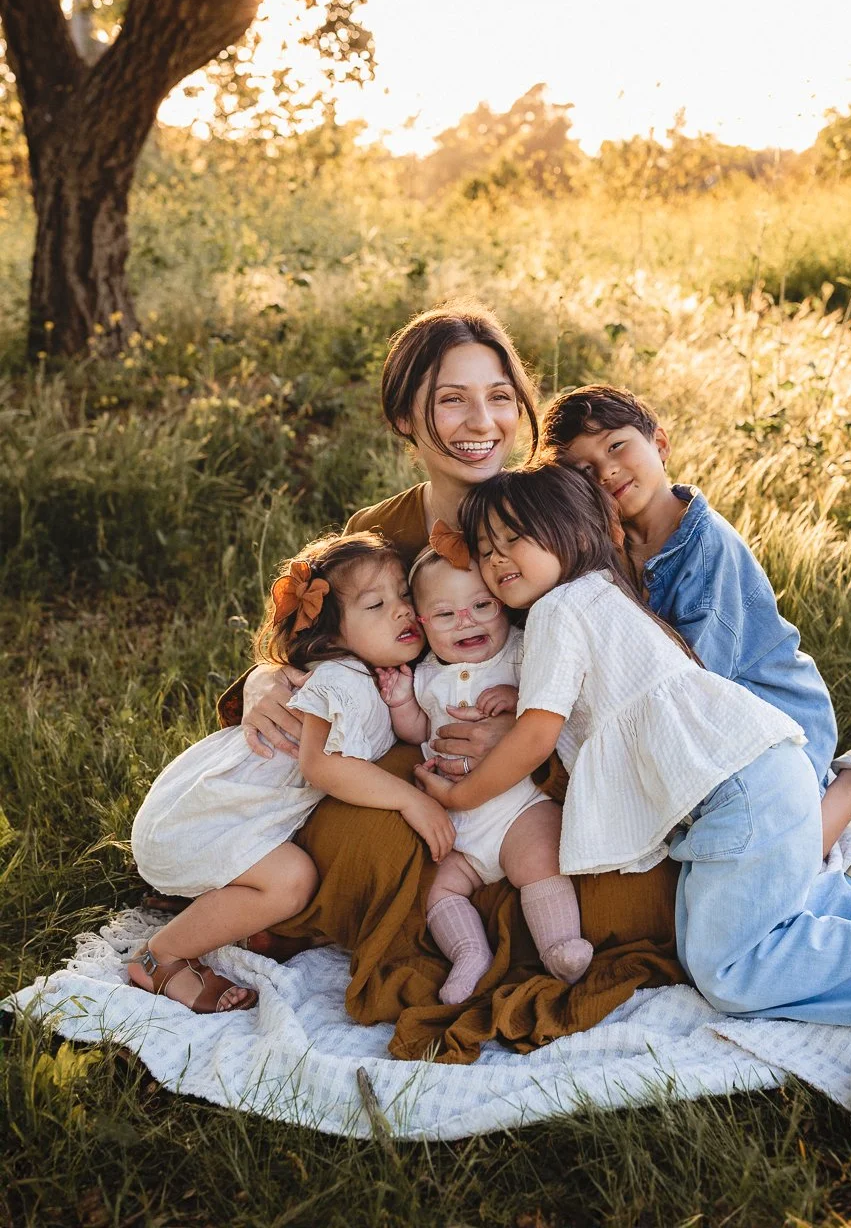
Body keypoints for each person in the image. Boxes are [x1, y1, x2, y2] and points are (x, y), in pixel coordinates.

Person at [218, 307, 681, 1056]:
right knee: (372, 827)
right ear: (406, 416)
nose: (482, 420)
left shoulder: (560, 511)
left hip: (560, 760)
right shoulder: (383, 534)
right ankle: (432, 922)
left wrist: (532, 730)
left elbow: (643, 660)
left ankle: (520, 922)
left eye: (500, 396)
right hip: (428, 761)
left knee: (638, 896)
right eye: (450, 399)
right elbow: (320, 636)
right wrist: (267, 678)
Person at [416, 463, 851, 1025]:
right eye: (486, 550)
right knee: (712, 937)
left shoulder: (556, 611)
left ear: (567, 532)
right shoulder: (600, 595)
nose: (495, 560)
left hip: (739, 793)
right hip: (754, 779)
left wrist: (466, 796)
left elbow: (538, 734)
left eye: (512, 540)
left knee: (725, 971)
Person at [540, 384, 851, 862]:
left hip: (773, 712)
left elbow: (692, 673)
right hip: (712, 721)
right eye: (585, 469)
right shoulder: (610, 545)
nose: (606, 471)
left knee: (781, 860)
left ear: (660, 444)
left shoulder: (705, 549)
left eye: (616, 446)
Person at [128, 531, 452, 1013]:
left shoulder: (372, 676)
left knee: (291, 875)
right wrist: (412, 800)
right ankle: (163, 957)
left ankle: (209, 906)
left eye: (404, 595)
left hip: (223, 810)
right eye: (375, 606)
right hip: (205, 820)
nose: (402, 610)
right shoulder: (342, 679)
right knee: (292, 881)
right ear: (332, 635)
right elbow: (322, 765)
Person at [382, 531, 591, 1002]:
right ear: (421, 625)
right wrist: (399, 703)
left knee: (541, 857)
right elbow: (419, 730)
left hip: (518, 810)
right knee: (437, 890)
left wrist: (519, 701)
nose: (465, 622)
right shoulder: (426, 674)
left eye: (481, 606)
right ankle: (469, 954)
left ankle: (559, 946)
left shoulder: (521, 653)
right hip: (457, 827)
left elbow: (556, 701)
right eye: (444, 615)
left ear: (502, 604)